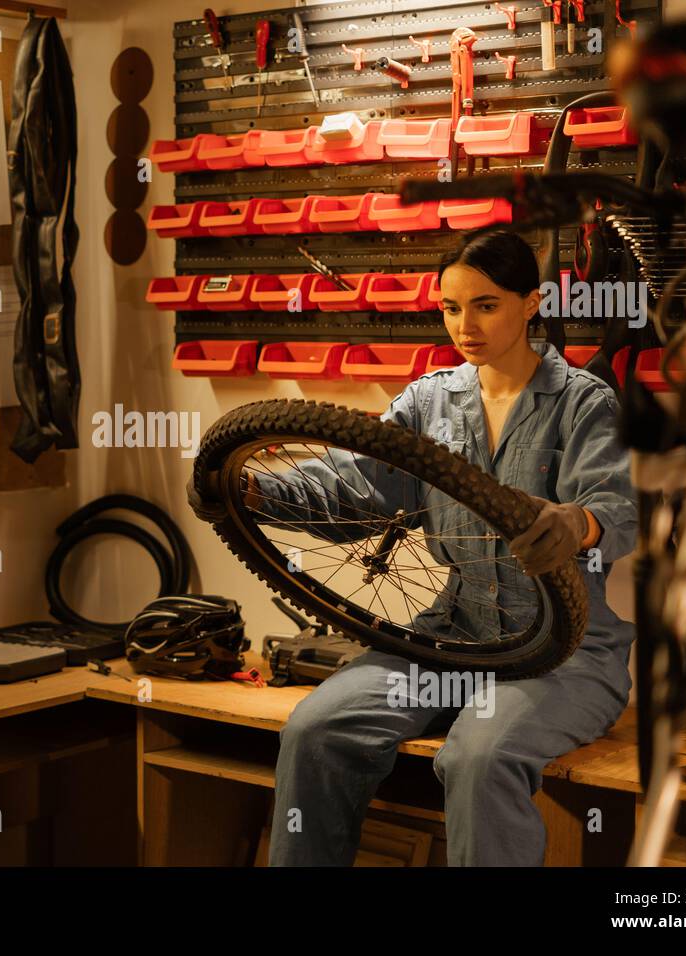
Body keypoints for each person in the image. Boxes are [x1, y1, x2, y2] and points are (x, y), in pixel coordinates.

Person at [256, 231, 636, 866]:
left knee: (478, 758)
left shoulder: (584, 402)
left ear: (531, 302)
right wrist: (252, 488)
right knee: (315, 729)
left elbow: (617, 506)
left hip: (563, 653)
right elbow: (354, 486)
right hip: (453, 637)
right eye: (451, 308)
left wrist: (578, 524)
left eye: (486, 305)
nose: (466, 325)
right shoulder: (428, 402)